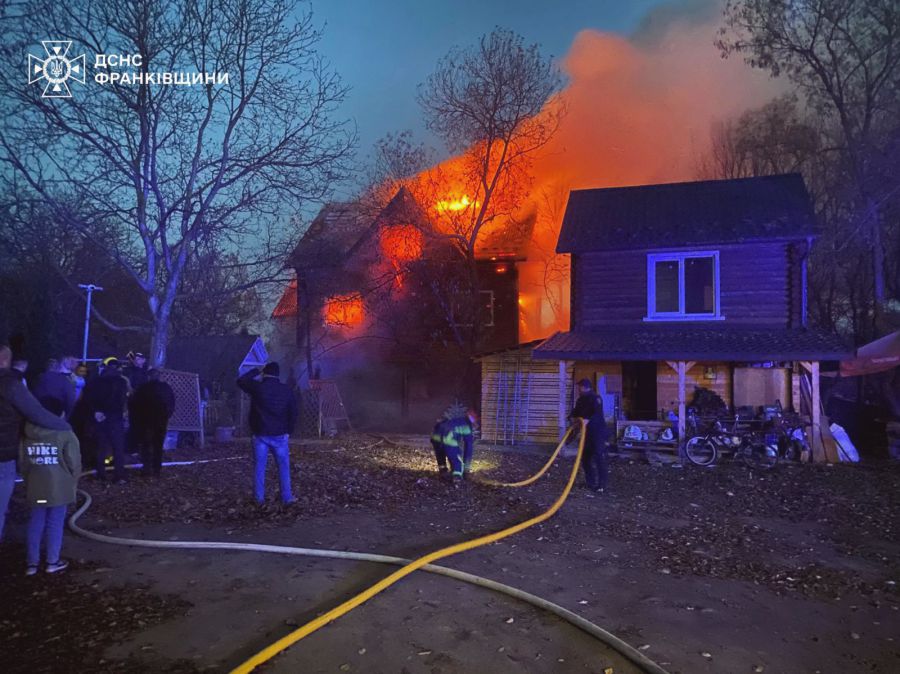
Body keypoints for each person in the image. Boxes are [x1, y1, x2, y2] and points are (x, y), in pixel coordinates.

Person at [0, 344, 71, 542]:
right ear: (5, 360)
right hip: (3, 458)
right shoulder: (10, 385)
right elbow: (36, 412)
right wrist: (66, 427)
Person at [19, 422, 81, 575]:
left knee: (35, 521)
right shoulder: (65, 432)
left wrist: (28, 481)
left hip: (36, 487)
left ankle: (32, 564)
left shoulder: (27, 433)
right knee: (55, 523)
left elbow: (22, 462)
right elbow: (74, 462)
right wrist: (73, 482)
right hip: (59, 488)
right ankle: (52, 562)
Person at [236, 363, 297, 504]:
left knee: (259, 467)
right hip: (280, 434)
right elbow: (293, 412)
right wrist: (289, 431)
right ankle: (287, 498)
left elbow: (241, 381)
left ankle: (259, 499)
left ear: (264, 373)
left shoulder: (258, 387)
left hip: (260, 434)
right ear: (278, 374)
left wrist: (256, 370)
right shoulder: (286, 390)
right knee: (283, 467)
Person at [81, 357, 129, 483]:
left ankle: (101, 474)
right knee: (118, 447)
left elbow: (87, 398)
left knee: (101, 446)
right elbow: (123, 399)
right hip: (116, 417)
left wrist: (96, 411)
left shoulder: (96, 381)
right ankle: (119, 475)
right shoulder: (121, 382)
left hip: (101, 416)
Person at [130, 369, 176, 477]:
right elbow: (171, 403)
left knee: (146, 445)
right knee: (158, 445)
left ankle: (146, 469)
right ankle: (157, 469)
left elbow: (135, 405)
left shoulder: (143, 388)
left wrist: (137, 420)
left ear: (149, 376)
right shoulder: (165, 388)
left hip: (146, 421)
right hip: (161, 421)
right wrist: (167, 415)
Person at [570, 378, 610, 492]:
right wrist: (571, 417)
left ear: (584, 387)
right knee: (586, 458)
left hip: (598, 432)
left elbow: (597, 413)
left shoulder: (596, 398)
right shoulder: (580, 400)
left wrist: (588, 420)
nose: (578, 389)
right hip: (586, 433)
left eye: (579, 387)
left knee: (599, 456)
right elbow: (576, 411)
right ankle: (590, 482)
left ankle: (602, 485)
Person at [432, 406, 476, 482]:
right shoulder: (467, 426)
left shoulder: (456, 420)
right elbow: (468, 448)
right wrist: (466, 469)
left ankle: (443, 473)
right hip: (448, 439)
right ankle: (457, 478)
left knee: (441, 456)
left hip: (435, 437)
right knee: (457, 461)